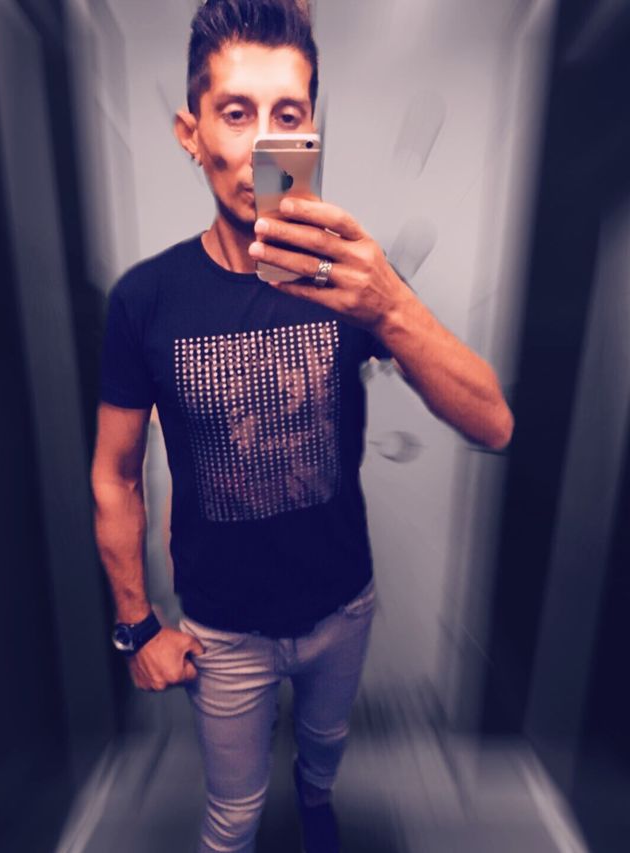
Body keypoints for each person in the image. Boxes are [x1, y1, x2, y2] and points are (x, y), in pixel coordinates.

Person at [90, 2, 514, 851]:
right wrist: (136, 626)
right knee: (231, 819)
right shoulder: (146, 298)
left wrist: (388, 306)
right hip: (223, 625)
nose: (262, 145)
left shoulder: (353, 275)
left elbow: (493, 422)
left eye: (287, 115)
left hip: (340, 604)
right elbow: (116, 474)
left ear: (312, 130)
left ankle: (317, 805)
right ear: (191, 133)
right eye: (235, 112)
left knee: (324, 752)